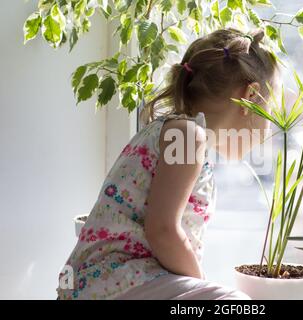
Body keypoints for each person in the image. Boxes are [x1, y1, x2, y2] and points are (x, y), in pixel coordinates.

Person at [57, 27, 280, 300]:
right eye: (270, 109)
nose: (270, 126)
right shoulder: (187, 136)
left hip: (111, 283)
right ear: (251, 96)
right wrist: (200, 284)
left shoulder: (176, 132)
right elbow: (163, 231)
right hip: (115, 282)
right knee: (235, 304)